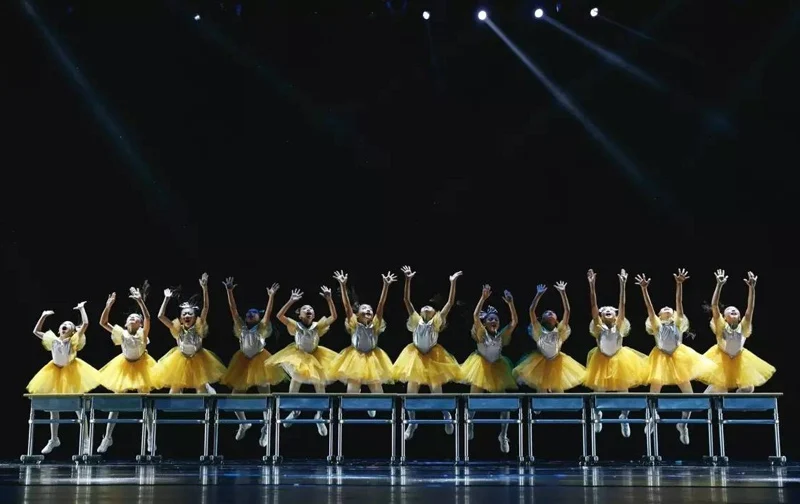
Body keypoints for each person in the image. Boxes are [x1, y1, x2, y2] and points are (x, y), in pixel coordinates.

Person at [635, 269, 715, 445]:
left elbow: (679, 302)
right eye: (662, 309)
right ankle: (652, 417)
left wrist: (679, 284)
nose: (666, 308)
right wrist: (644, 289)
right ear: (659, 315)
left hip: (679, 358)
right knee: (654, 392)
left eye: (668, 308)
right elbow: (649, 307)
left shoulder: (678, 322)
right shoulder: (656, 324)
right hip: (660, 359)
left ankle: (683, 424)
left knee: (690, 395)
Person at [393, 266, 463, 440]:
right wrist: (408, 280)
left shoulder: (436, 322)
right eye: (424, 306)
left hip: (433, 356)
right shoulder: (416, 321)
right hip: (415, 356)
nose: (426, 307)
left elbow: (449, 304)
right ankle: (412, 421)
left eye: (430, 308)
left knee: (436, 390)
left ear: (434, 314)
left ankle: (446, 414)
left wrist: (452, 283)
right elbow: (406, 300)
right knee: (411, 391)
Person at [219, 278, 287, 446]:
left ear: (258, 316)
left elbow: (269, 312)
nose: (250, 314)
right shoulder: (241, 326)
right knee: (234, 397)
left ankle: (265, 427)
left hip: (260, 361)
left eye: (254, 313)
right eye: (248, 313)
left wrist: (271, 296)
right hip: (243, 361)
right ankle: (244, 423)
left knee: (265, 396)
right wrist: (229, 291)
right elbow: (233, 310)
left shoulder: (262, 327)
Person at [27, 302, 99, 454]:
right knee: (54, 407)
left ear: (73, 331)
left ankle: (86, 441)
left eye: (69, 325)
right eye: (63, 324)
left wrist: (81, 309)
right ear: (60, 329)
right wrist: (43, 316)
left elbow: (85, 323)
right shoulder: (53, 339)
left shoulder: (73, 341)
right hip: (54, 372)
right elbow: (36, 331)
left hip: (71, 373)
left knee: (78, 409)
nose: (65, 325)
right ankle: (54, 439)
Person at [266, 286, 339, 436]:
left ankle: (320, 415)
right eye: (305, 308)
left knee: (320, 384)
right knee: (296, 378)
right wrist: (291, 301)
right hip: (298, 355)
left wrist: (329, 299)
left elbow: (334, 317)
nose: (309, 310)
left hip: (315, 355)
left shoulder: (317, 326)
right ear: (299, 315)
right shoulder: (296, 325)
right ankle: (294, 409)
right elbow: (280, 316)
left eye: (311, 309)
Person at [95, 284, 159, 453]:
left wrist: (140, 301)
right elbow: (103, 322)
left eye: (136, 318)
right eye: (130, 317)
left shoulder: (143, 333)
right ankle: (107, 438)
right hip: (124, 366)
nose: (133, 319)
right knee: (116, 402)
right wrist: (108, 305)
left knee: (146, 402)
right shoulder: (121, 332)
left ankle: (151, 439)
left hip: (142, 366)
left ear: (139, 323)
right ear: (126, 322)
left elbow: (148, 317)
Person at [584, 269, 647, 438]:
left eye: (611, 311)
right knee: (598, 390)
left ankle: (624, 417)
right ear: (601, 316)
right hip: (601, 359)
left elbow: (623, 306)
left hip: (620, 360)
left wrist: (623, 284)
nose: (608, 312)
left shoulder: (619, 325)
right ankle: (597, 415)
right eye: (605, 312)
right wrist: (592, 285)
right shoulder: (598, 327)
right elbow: (593, 306)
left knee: (623, 391)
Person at [460, 284, 518, 453]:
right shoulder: (481, 333)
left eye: (496, 320)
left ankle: (503, 435)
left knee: (505, 405)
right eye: (490, 319)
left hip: (497, 368)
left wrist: (510, 303)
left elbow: (514, 322)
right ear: (484, 323)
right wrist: (483, 298)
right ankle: (469, 425)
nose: (494, 321)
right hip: (480, 366)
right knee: (473, 401)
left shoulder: (501, 336)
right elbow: (474, 316)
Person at [330, 270, 396, 416]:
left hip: (373, 357)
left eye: (369, 309)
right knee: (351, 393)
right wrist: (343, 285)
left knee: (378, 390)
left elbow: (381, 304)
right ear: (357, 314)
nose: (368, 310)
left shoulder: (376, 324)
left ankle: (372, 402)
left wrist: (386, 286)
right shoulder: (354, 323)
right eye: (364, 308)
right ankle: (345, 409)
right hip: (355, 357)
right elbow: (346, 306)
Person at [698, 270, 775, 393]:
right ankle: (692, 408)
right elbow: (714, 306)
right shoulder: (721, 326)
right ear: (724, 317)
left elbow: (750, 308)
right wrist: (719, 285)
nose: (733, 310)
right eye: (729, 310)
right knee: (718, 390)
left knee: (748, 388)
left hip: (739, 360)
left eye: (735, 310)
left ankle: (733, 402)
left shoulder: (743, 327)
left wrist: (752, 288)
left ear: (740, 317)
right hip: (722, 361)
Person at [155, 273, 227, 394]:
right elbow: (160, 316)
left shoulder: (199, 326)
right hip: (180, 360)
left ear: (195, 317)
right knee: (174, 391)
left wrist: (205, 288)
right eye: (184, 314)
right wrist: (166, 299)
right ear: (181, 318)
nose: (187, 315)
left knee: (201, 390)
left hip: (198, 359)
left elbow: (206, 307)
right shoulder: (177, 328)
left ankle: (208, 399)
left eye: (190, 314)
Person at [512, 282, 585, 393]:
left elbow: (567, 311)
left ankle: (559, 408)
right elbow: (531, 310)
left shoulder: (560, 331)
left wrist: (563, 292)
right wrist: (538, 295)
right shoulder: (539, 330)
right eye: (546, 312)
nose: (550, 312)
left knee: (559, 392)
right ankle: (536, 408)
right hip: (541, 363)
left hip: (558, 362)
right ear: (543, 319)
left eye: (552, 312)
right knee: (541, 390)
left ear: (556, 320)